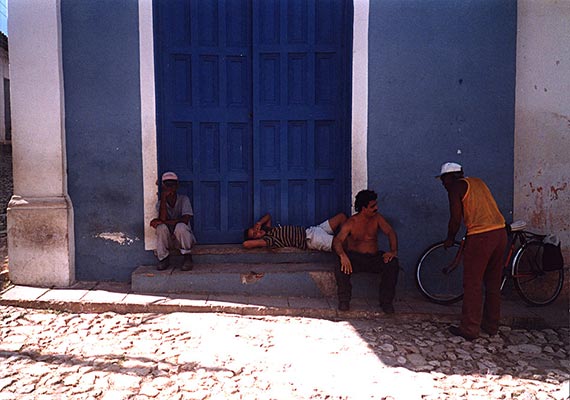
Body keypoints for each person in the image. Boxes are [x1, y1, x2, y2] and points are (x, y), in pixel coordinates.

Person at [437, 162, 507, 340]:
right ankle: (491, 326)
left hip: (481, 236)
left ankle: (469, 328)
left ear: (450, 177)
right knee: (492, 284)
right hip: (500, 233)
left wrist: (450, 237)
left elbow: (455, 218)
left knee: (473, 284)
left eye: (443, 180)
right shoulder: (478, 182)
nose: (443, 184)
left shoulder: (455, 187)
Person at [332, 190, 399, 313]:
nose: (376, 208)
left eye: (376, 205)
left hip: (373, 258)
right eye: (372, 206)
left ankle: (386, 303)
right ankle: (344, 301)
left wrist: (393, 251)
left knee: (393, 263)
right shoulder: (351, 222)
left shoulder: (378, 218)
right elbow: (337, 241)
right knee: (339, 264)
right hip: (355, 259)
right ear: (363, 208)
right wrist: (342, 256)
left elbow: (390, 232)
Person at [149, 171, 196, 271]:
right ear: (163, 186)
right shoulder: (160, 203)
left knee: (181, 227)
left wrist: (163, 222)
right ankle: (164, 258)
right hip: (169, 240)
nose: (170, 187)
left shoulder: (184, 199)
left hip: (182, 239)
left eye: (173, 184)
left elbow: (185, 219)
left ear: (177, 185)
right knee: (160, 228)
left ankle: (187, 257)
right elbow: (162, 219)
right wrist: (164, 199)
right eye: (167, 185)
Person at [243, 213, 347, 252]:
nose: (257, 232)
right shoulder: (268, 240)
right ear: (256, 239)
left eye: (255, 230)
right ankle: (347, 250)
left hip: (312, 230)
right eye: (254, 234)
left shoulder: (268, 229)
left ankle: (345, 242)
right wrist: (257, 242)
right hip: (310, 239)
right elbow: (246, 244)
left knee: (341, 217)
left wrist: (259, 223)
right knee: (338, 243)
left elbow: (268, 216)